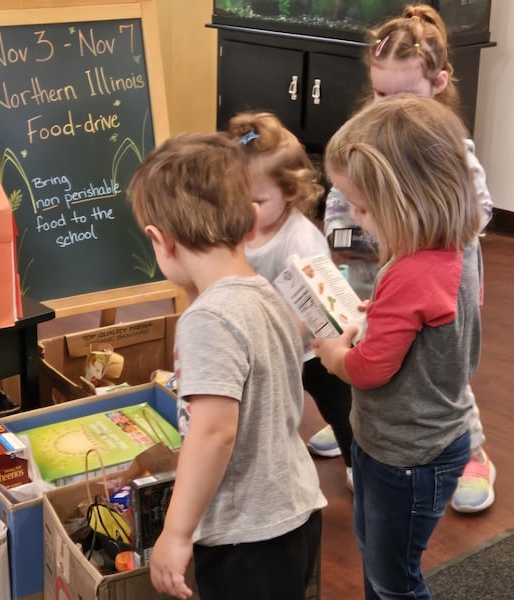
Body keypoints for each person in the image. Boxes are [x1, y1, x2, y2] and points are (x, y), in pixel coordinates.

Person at [312, 4, 496, 514]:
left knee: (434, 374)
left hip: (432, 286)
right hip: (370, 277)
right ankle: (358, 425)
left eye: (401, 94)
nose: (384, 106)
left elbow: (471, 219)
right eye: (378, 92)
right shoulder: (366, 141)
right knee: (373, 351)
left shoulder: (448, 148)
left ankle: (471, 452)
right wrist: (345, 244)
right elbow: (338, 203)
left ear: (438, 85)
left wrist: (407, 236)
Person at [128, 132, 326, 600]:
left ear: (160, 240)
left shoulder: (209, 319)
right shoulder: (266, 294)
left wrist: (176, 534)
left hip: (247, 538)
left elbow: (215, 432)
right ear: (253, 221)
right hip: (294, 511)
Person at [314, 94, 481, 600]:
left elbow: (368, 371)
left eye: (364, 207)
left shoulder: (409, 270)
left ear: (410, 198)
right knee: (380, 555)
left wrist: (332, 356)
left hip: (407, 455)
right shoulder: (447, 249)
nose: (359, 219)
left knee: (394, 581)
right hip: (417, 441)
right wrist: (381, 317)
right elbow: (429, 330)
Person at [225, 111, 355, 491]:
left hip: (311, 349)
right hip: (261, 348)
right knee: (268, 413)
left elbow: (316, 308)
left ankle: (356, 459)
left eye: (256, 200)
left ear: (291, 192)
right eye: (234, 198)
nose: (243, 210)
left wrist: (280, 342)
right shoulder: (238, 229)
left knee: (340, 406)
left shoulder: (300, 241)